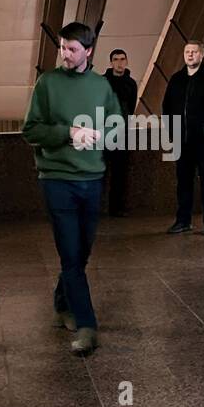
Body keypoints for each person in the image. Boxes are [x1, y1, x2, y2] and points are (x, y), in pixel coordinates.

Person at [22, 22, 124, 356]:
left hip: (92, 178)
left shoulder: (101, 86)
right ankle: (87, 325)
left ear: (89, 51)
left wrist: (100, 135)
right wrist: (69, 133)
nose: (66, 55)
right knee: (70, 253)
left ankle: (61, 303)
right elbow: (31, 129)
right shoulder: (47, 83)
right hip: (57, 179)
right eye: (63, 48)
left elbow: (118, 128)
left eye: (73, 49)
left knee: (81, 251)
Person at [162, 41, 204, 235]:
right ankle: (183, 220)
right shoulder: (176, 79)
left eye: (194, 52)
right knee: (183, 181)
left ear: (201, 55)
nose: (190, 55)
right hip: (182, 140)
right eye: (187, 51)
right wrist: (172, 134)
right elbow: (167, 108)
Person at [102, 49, 138, 217]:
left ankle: (116, 208)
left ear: (126, 61)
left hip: (122, 132)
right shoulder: (102, 82)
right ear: (111, 62)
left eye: (122, 59)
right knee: (101, 172)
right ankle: (98, 207)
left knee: (119, 173)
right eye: (116, 59)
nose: (119, 62)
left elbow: (130, 108)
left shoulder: (131, 84)